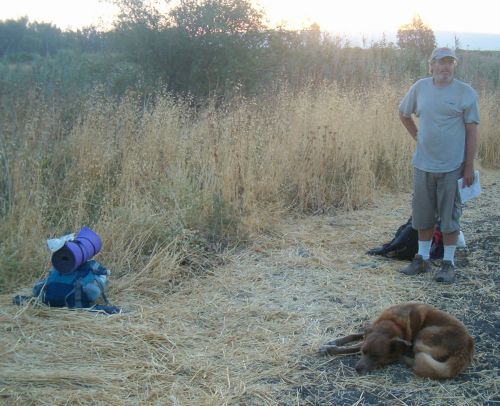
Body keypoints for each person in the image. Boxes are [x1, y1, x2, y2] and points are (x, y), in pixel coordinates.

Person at [398, 47, 480, 283]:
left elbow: (471, 131)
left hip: (452, 166)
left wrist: (468, 167)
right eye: (440, 62)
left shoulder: (465, 93)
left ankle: (448, 263)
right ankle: (422, 259)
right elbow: (404, 114)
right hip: (423, 164)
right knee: (422, 216)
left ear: (454, 66)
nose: (445, 67)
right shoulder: (420, 88)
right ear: (431, 65)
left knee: (449, 218)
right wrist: (418, 137)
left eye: (449, 62)